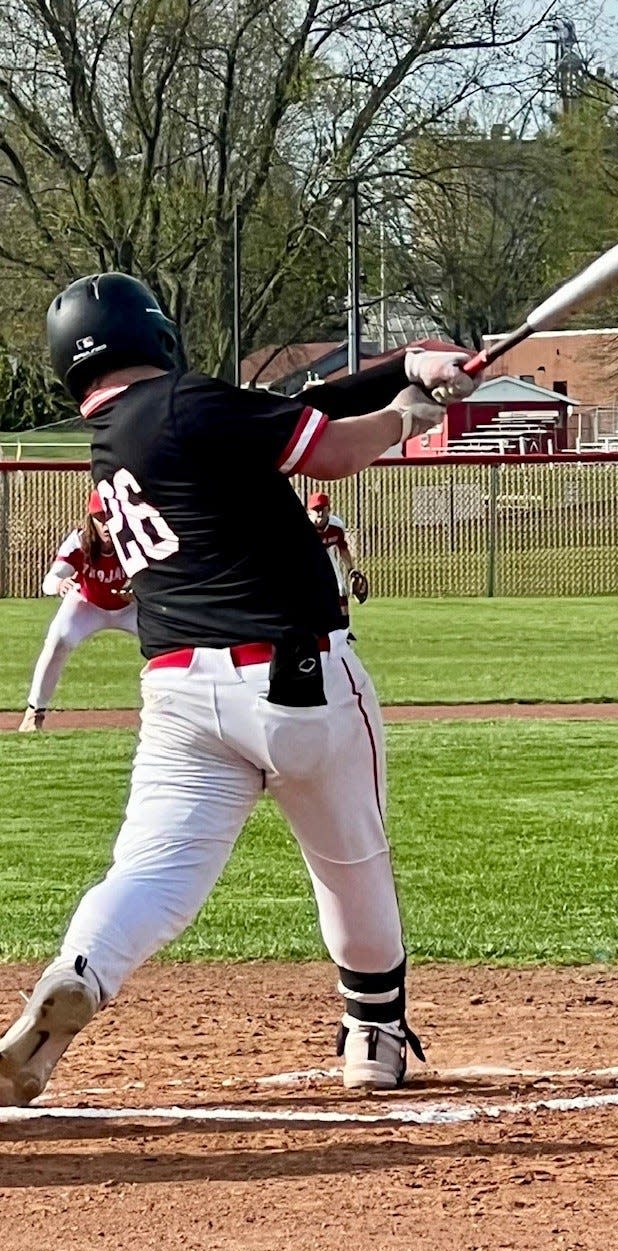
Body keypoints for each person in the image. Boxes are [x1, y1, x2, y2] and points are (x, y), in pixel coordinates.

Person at [0, 272, 476, 1106]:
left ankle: (80, 972)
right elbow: (332, 446)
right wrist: (407, 415)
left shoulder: (118, 439)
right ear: (154, 335)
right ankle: (374, 1036)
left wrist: (409, 363)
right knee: (351, 864)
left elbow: (299, 401)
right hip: (299, 679)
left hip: (180, 694)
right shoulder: (189, 407)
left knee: (149, 873)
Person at [18, 490, 138, 732]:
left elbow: (160, 576)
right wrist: (60, 584)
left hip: (130, 608)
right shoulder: (80, 542)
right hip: (87, 605)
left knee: (169, 643)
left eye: (111, 516)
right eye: (100, 517)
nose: (106, 524)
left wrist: (140, 590)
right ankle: (34, 713)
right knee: (57, 641)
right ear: (91, 518)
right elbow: (50, 579)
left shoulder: (134, 540)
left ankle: (181, 715)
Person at [306, 491, 365, 624]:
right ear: (309, 511)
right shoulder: (302, 527)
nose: (319, 513)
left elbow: (342, 549)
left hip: (327, 554)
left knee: (340, 588)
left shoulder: (336, 526)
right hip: (306, 557)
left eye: (322, 509)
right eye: (315, 509)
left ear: (329, 509)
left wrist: (351, 569)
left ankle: (344, 627)